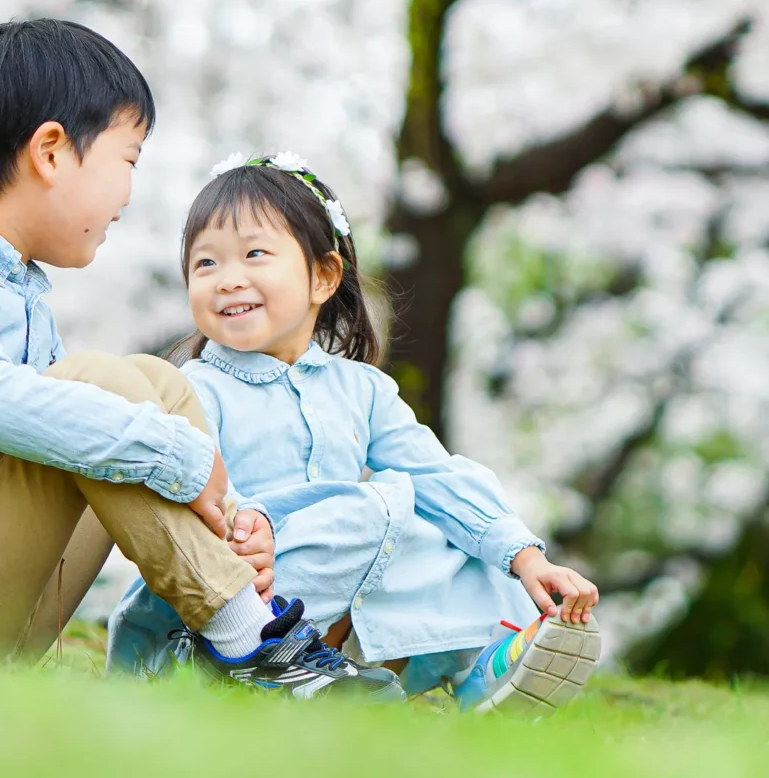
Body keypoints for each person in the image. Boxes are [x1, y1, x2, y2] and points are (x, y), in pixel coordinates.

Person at [0, 20, 398, 698]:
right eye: (127, 161)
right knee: (98, 389)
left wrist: (235, 518)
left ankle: (231, 634)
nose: (130, 193)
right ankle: (255, 652)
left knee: (152, 381)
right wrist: (181, 457)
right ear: (50, 151)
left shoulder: (14, 284)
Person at [108, 153, 603, 713]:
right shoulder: (194, 388)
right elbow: (187, 492)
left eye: (254, 254)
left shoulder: (362, 389)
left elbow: (434, 472)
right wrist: (245, 527)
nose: (229, 280)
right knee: (380, 509)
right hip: (242, 590)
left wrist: (525, 557)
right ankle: (228, 669)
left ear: (323, 276)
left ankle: (478, 671)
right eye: (205, 264)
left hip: (329, 583)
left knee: (449, 518)